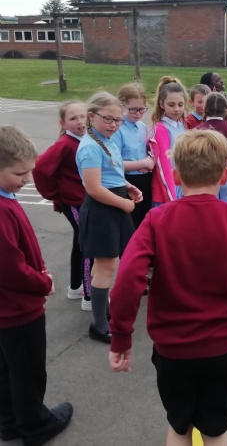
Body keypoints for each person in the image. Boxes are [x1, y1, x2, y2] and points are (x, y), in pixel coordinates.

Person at [108, 129, 227, 446]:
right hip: (221, 350)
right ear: (225, 176)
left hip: (172, 351)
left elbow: (127, 280)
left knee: (179, 427)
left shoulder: (157, 219)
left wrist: (121, 337)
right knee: (215, 431)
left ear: (175, 176)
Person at [0, 125, 73, 446]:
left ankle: (10, 423)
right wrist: (43, 282)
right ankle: (35, 425)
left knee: (8, 369)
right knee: (28, 371)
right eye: (19, 174)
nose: (27, 179)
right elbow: (10, 269)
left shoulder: (6, 198)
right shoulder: (2, 210)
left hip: (7, 311)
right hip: (18, 309)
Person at [76, 92, 143, 343]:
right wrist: (124, 203)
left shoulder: (106, 139)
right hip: (102, 209)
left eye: (117, 120)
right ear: (91, 116)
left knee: (104, 265)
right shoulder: (91, 147)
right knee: (106, 266)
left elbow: (112, 173)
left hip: (114, 203)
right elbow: (94, 188)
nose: (114, 125)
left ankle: (102, 311)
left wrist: (127, 186)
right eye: (108, 119)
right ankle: (99, 325)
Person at [32, 101, 93, 311]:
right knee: (88, 244)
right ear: (63, 124)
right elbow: (40, 168)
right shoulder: (65, 144)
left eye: (82, 116)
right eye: (73, 118)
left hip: (85, 200)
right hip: (75, 202)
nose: (80, 122)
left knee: (80, 242)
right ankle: (89, 296)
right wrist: (54, 194)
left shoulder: (85, 139)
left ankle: (75, 287)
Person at [112, 83, 154, 229]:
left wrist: (150, 161)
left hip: (145, 178)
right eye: (133, 109)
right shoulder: (117, 129)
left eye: (142, 109)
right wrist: (143, 163)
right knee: (131, 224)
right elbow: (115, 163)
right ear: (122, 105)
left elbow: (146, 151)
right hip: (128, 181)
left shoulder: (141, 126)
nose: (138, 113)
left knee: (144, 222)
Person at [196, 93, 227, 206]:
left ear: (205, 108)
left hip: (207, 177)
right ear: (226, 109)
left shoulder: (198, 129)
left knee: (211, 210)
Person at [149, 76, 189, 205]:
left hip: (182, 189)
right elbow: (163, 166)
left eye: (180, 104)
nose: (177, 109)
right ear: (162, 104)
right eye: (171, 105)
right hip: (165, 195)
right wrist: (171, 197)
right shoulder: (160, 129)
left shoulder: (182, 126)